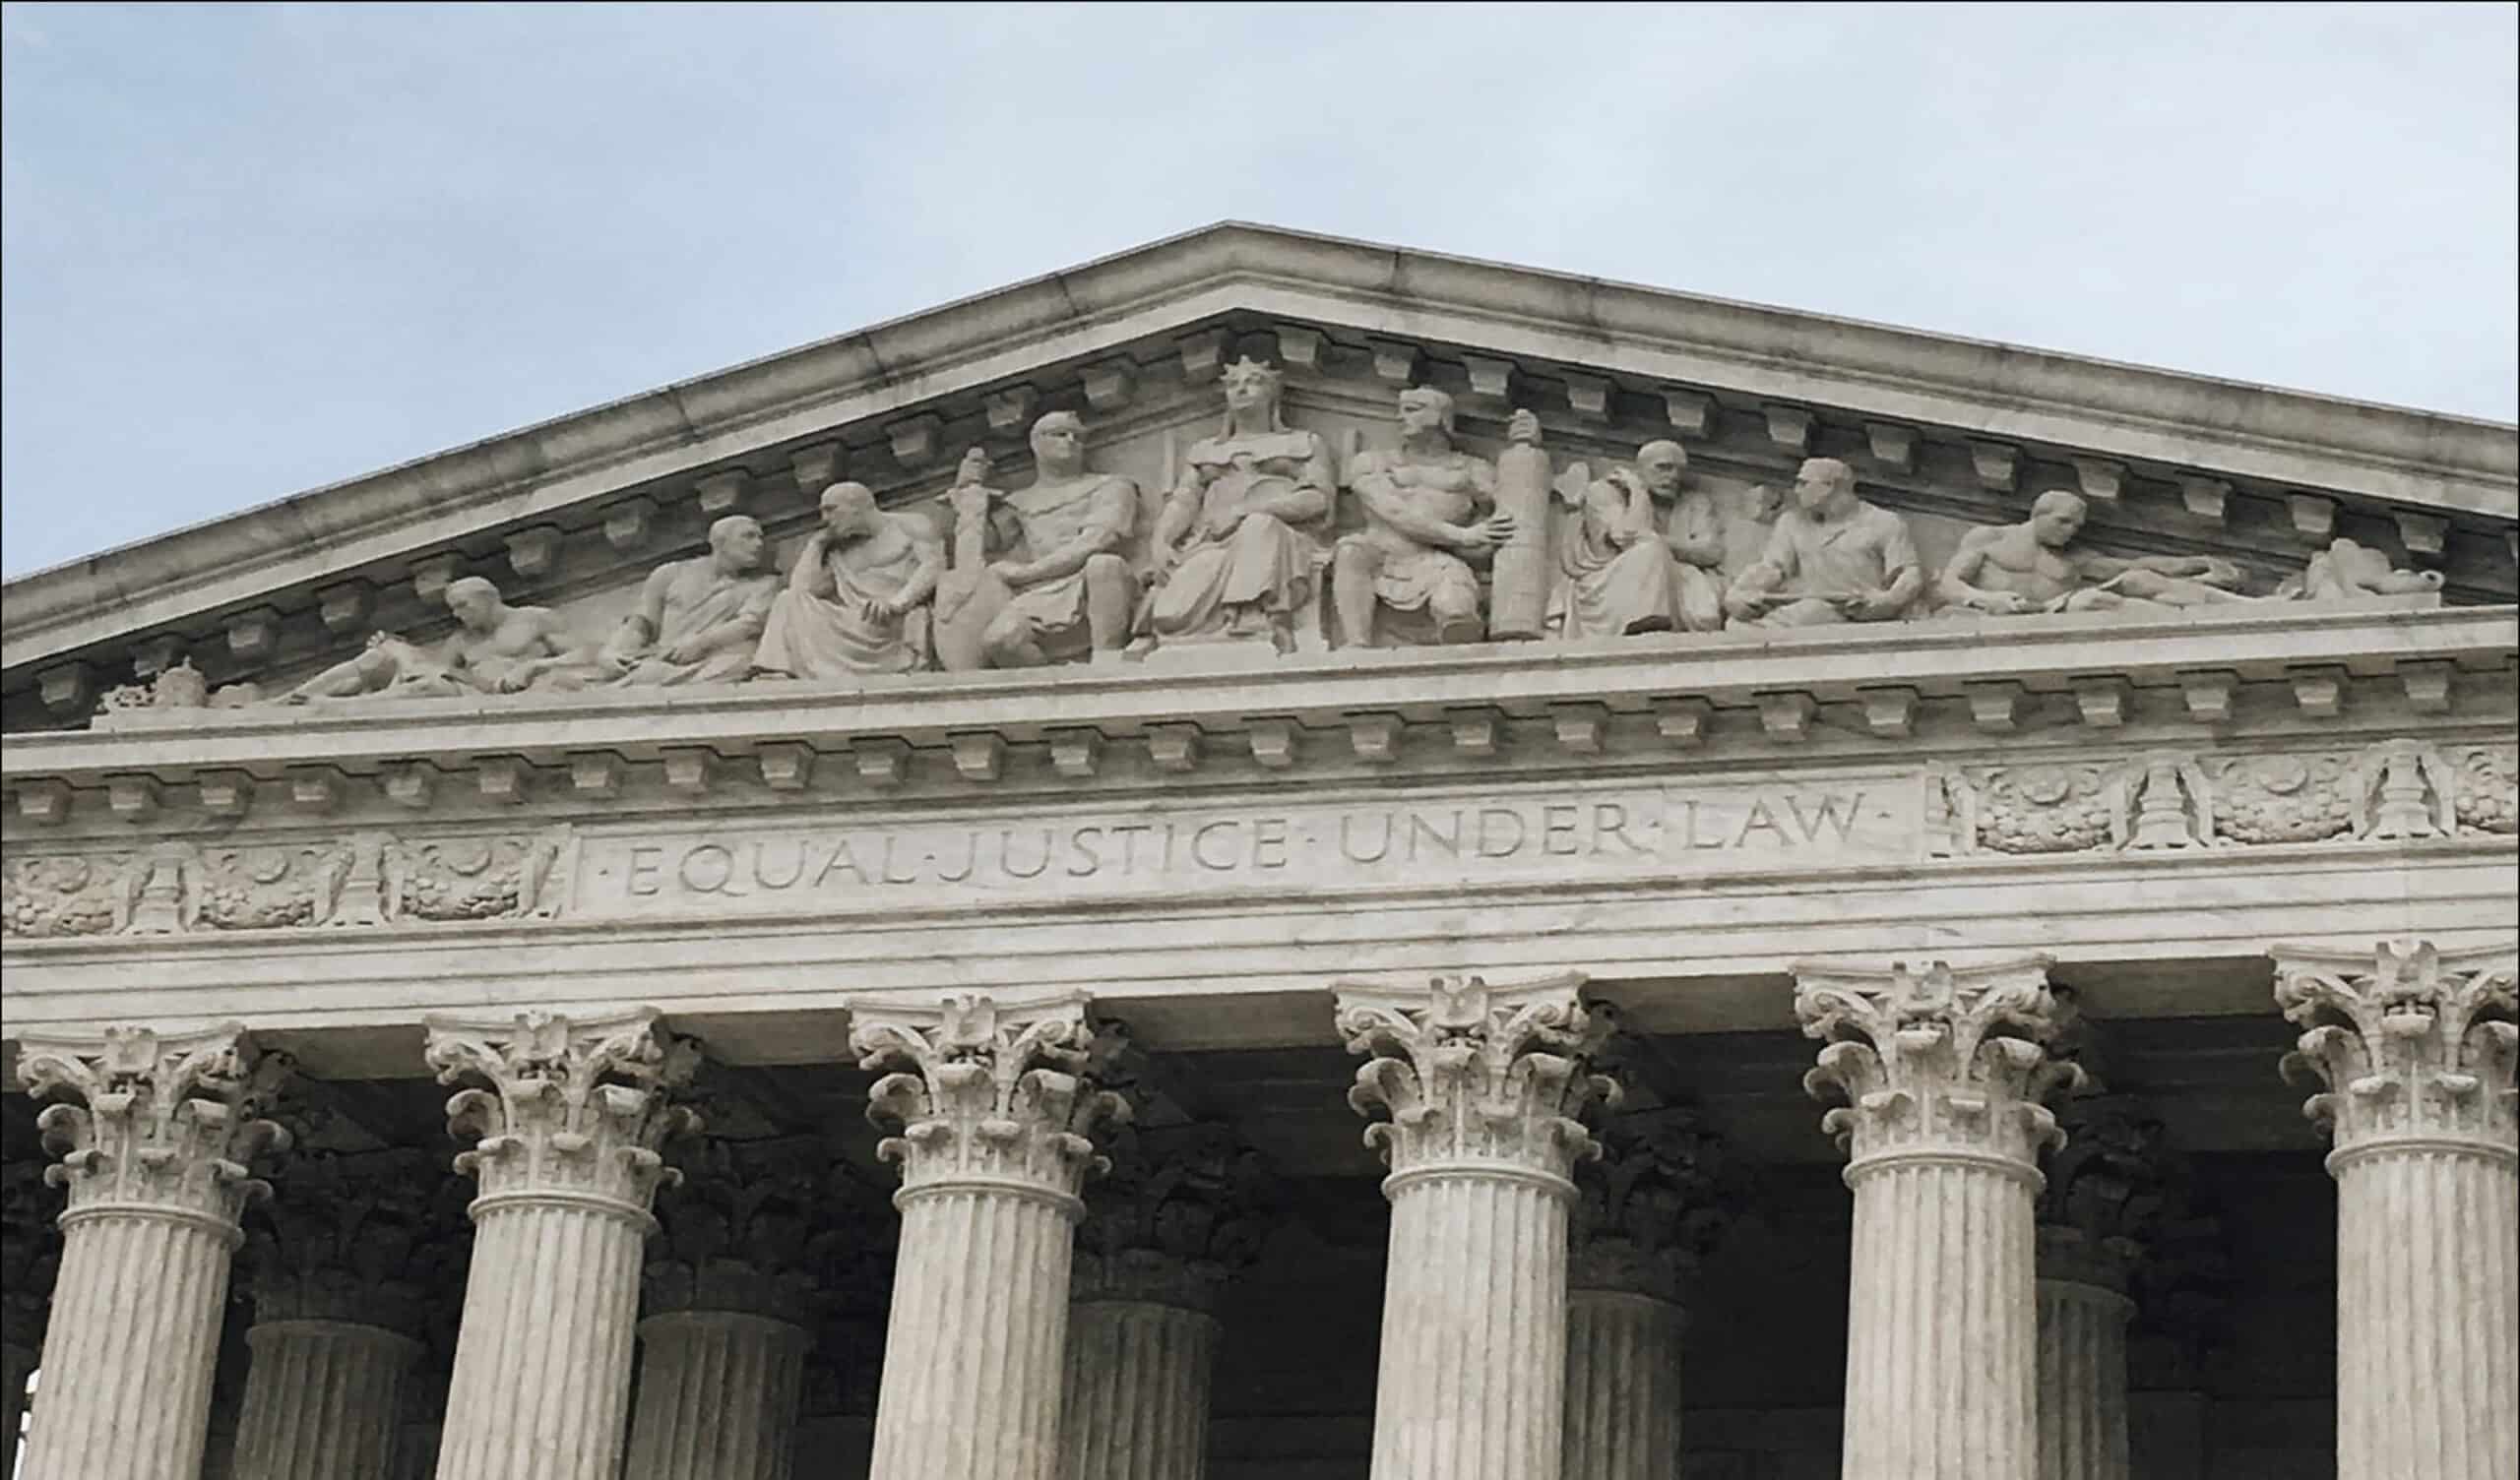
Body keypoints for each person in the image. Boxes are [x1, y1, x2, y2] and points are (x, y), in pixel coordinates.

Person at [1141, 357, 1335, 649]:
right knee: (1170, 615)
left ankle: (1252, 614)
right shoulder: (1206, 450)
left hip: (1284, 542)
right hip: (1212, 542)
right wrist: (1161, 541)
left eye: (1254, 381)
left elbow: (1318, 499)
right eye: (1233, 384)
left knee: (1260, 526)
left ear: (1273, 394)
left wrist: (1246, 512)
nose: (1242, 389)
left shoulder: (1304, 442)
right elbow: (1185, 500)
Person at [964, 411, 1142, 666]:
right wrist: (970, 491)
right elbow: (983, 550)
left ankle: (1107, 662)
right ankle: (1054, 691)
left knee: (1104, 564)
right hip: (1038, 594)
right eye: (1060, 434)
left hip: (1089, 586)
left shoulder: (1112, 486)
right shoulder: (1018, 502)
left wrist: (1026, 573)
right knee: (1000, 640)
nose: (1070, 441)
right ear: (1035, 444)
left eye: (1078, 437)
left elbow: (1098, 539)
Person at [1335, 386, 1508, 647]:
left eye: (1412, 410)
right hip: (1379, 555)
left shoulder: (1473, 469)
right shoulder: (1373, 462)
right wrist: (1463, 535)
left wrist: (1526, 449)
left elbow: (1504, 522)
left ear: (1439, 416)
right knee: (1351, 550)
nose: (1399, 417)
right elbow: (1394, 511)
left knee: (1456, 611)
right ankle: (1357, 645)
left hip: (1437, 562)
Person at [1938, 490, 2255, 616]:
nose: (2070, 531)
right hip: (2001, 615)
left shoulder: (2071, 558)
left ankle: (2244, 608)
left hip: (2053, 610)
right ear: (2038, 513)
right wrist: (1984, 598)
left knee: (2138, 579)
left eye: (2076, 526)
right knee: (2093, 599)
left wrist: (2195, 563)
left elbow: (2133, 564)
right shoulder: (1991, 538)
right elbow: (1948, 583)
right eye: (2063, 522)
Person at [284, 576, 591, 702]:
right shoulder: (461, 641)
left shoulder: (534, 619)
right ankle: (288, 701)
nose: (458, 615)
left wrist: (534, 666)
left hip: (513, 695)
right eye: (453, 609)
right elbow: (437, 671)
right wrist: (399, 648)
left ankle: (355, 707)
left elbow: (586, 656)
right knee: (382, 657)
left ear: (488, 599)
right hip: (470, 691)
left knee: (426, 685)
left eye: (463, 606)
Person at [752, 482, 943, 679]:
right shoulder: (839, 550)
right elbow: (802, 590)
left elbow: (934, 565)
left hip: (893, 620)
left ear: (857, 506)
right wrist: (816, 544)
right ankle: (777, 673)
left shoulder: (909, 525)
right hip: (854, 620)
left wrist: (898, 602)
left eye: (830, 510)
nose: (825, 519)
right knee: (786, 599)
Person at [1548, 439, 1725, 639]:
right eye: (1663, 468)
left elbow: (1712, 551)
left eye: (1679, 471)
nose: (1674, 477)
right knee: (1650, 551)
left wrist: (1660, 541)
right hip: (1610, 581)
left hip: (1677, 581)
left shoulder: (1694, 503)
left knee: (1656, 550)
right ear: (1639, 470)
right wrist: (1638, 491)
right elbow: (1627, 535)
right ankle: (1648, 624)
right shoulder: (1603, 492)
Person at [1724, 458, 1924, 627]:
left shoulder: (1883, 522)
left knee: (1763, 629)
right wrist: (1740, 591)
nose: (1796, 490)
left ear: (1829, 486)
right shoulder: (1791, 522)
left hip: (1853, 612)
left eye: (1804, 483)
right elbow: (1771, 568)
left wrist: (1888, 600)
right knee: (1736, 625)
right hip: (1807, 607)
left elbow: (1909, 574)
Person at [598, 516, 780, 685]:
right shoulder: (670, 573)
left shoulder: (762, 586)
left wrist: (700, 643)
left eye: (760, 538)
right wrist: (611, 652)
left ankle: (656, 680)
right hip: (660, 658)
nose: (758, 544)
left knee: (741, 663)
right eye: (748, 536)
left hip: (709, 665)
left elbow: (749, 624)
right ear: (720, 542)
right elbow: (641, 623)